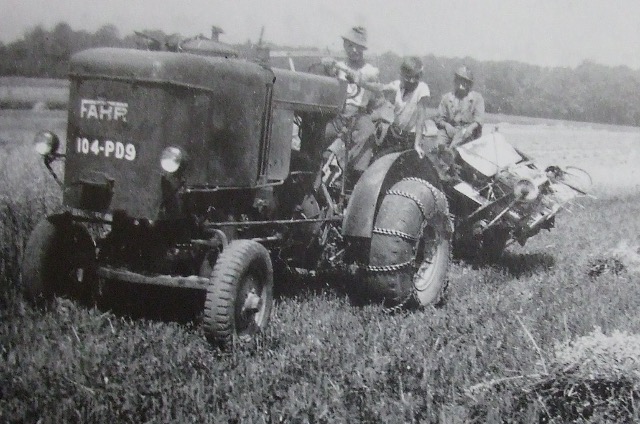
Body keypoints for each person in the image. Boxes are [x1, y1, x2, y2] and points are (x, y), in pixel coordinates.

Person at [321, 26, 381, 178]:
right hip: (338, 114)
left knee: (367, 130)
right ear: (344, 46)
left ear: (363, 49)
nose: (354, 50)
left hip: (358, 115)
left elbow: (375, 86)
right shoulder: (338, 67)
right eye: (350, 46)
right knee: (318, 133)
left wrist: (356, 77)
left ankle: (337, 160)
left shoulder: (370, 70)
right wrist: (327, 68)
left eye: (358, 47)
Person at [352, 56, 432, 159]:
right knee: (377, 160)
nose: (412, 81)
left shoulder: (422, 89)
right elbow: (379, 87)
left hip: (410, 138)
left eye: (416, 77)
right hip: (394, 133)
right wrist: (359, 82)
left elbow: (420, 120)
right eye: (408, 77)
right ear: (402, 75)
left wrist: (417, 144)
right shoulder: (398, 86)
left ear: (420, 75)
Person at [433, 65, 485, 150]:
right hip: (451, 129)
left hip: (468, 132)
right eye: (460, 80)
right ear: (455, 81)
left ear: (470, 84)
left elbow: (479, 120)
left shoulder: (477, 98)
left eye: (465, 82)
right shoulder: (447, 98)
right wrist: (446, 125)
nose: (462, 84)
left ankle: (450, 154)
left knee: (459, 140)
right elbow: (439, 118)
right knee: (440, 138)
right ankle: (441, 152)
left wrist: (470, 128)